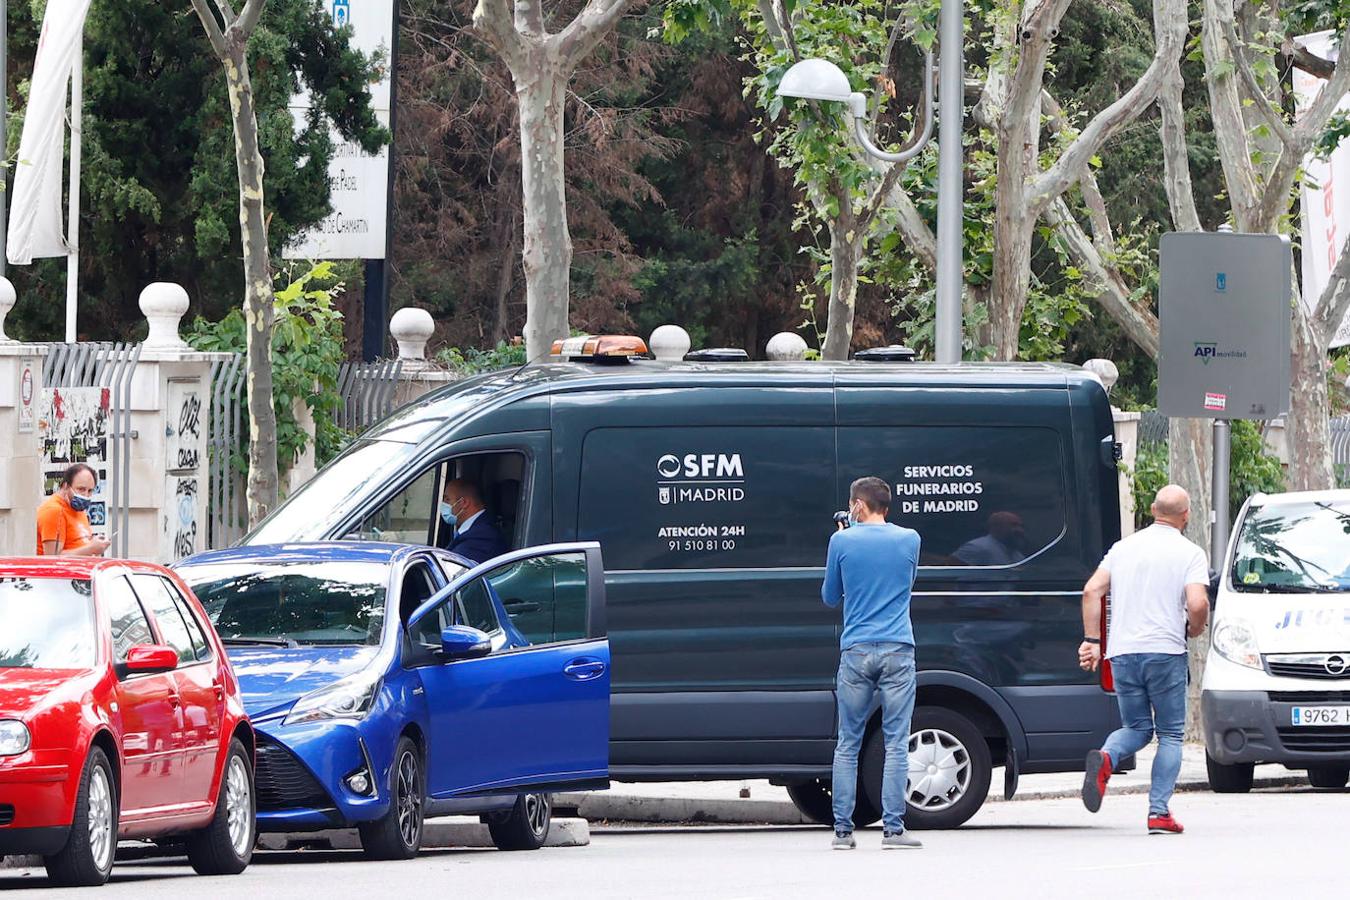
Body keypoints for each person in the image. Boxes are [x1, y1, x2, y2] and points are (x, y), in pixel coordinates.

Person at [1078, 484, 1209, 835]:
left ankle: (1107, 757)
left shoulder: (1123, 549)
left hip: (1121, 652)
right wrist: (1195, 628)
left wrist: (1091, 640)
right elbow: (1197, 603)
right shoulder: (1190, 552)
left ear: (1152, 509)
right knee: (1169, 734)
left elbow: (1092, 590)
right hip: (1165, 652)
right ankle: (1158, 813)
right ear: (1186, 515)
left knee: (1136, 727)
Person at [821, 476, 922, 850]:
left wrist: (844, 538)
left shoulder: (841, 540)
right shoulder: (910, 539)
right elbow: (907, 583)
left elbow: (830, 596)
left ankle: (843, 832)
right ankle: (894, 830)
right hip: (898, 647)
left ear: (858, 506)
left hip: (857, 650)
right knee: (896, 741)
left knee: (848, 741)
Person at [36, 463, 110, 557]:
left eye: (90, 491)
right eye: (81, 489)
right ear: (66, 486)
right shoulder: (54, 511)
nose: (85, 495)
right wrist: (91, 549)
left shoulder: (77, 508)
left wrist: (96, 544)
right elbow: (53, 558)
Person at [438, 479, 508, 564]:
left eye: (447, 499)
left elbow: (452, 569)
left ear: (464, 503)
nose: (443, 504)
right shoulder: (473, 530)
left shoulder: (483, 536)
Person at [953, 511, 1027, 566]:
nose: (1020, 530)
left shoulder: (1018, 556)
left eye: (1021, 526)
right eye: (1013, 525)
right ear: (996, 527)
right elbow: (948, 574)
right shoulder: (977, 548)